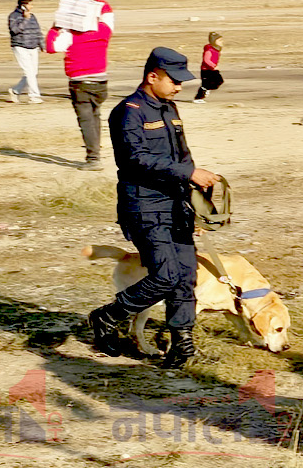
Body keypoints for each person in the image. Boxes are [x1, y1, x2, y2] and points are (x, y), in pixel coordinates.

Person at [85, 48, 218, 369]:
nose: (179, 87)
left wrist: (197, 202)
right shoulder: (128, 112)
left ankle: (182, 345)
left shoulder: (169, 108)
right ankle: (106, 317)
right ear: (152, 77)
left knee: (186, 275)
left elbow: (182, 156)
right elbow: (135, 159)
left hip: (175, 206)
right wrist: (189, 174)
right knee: (165, 275)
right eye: (174, 81)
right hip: (143, 206)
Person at [45, 0, 115, 169]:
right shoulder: (104, 31)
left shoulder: (70, 35)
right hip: (100, 81)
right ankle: (96, 149)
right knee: (95, 116)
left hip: (80, 83)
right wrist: (96, 1)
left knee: (86, 121)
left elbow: (50, 47)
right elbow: (108, 12)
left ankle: (93, 158)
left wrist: (56, 26)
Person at [6, 0, 43, 103]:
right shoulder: (13, 16)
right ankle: (34, 96)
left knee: (33, 72)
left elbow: (37, 30)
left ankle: (15, 90)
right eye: (29, 4)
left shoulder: (32, 16)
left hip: (33, 46)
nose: (31, 6)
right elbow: (14, 30)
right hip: (20, 46)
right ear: (23, 5)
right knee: (29, 71)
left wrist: (42, 44)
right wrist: (25, 19)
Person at [193, 32, 225, 102]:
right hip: (206, 70)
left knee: (219, 81)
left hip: (213, 70)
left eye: (221, 40)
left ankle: (207, 90)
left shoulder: (216, 50)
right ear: (214, 41)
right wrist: (213, 66)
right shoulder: (209, 50)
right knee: (205, 84)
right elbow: (206, 60)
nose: (221, 42)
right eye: (219, 40)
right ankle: (198, 98)